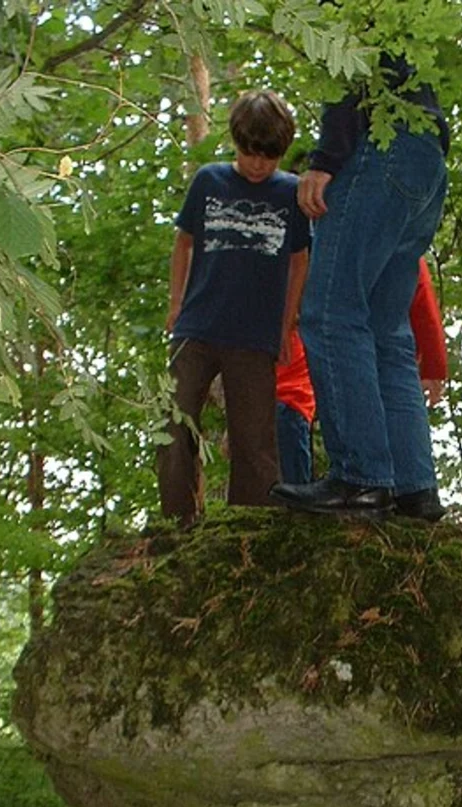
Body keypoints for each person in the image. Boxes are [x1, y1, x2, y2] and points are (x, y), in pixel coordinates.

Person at [269, 53, 449, 521]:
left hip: (382, 147)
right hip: (427, 157)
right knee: (386, 329)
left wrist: (326, 159)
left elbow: (350, 70)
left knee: (331, 312)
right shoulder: (400, 21)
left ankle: (361, 479)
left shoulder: (348, 10)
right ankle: (414, 489)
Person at [156, 89, 310, 526]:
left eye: (269, 157)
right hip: (198, 328)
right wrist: (175, 303)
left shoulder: (291, 193)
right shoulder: (209, 181)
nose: (258, 165)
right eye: (249, 154)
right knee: (174, 421)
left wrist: (285, 326)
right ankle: (179, 522)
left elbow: (299, 261)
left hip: (255, 337)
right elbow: (183, 242)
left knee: (255, 440)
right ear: (235, 143)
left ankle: (250, 528)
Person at [276, 257, 449, 485]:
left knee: (389, 406)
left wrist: (433, 364)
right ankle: (398, 488)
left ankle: (385, 485)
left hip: (370, 353)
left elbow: (419, 285)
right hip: (353, 357)